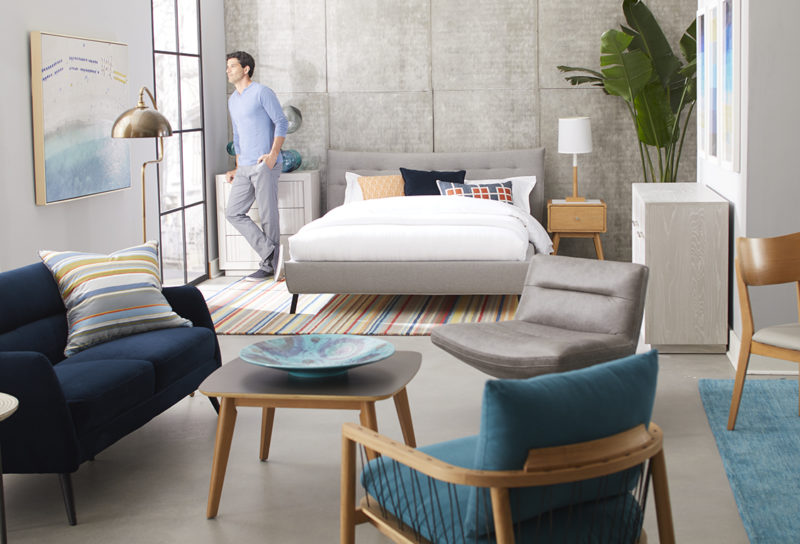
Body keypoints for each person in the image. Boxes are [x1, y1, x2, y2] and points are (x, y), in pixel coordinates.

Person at [224, 51, 288, 280]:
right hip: (245, 166)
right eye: (228, 67)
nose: (228, 70)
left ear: (246, 69)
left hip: (264, 164)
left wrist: (272, 155)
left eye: (232, 66)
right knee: (232, 212)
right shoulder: (233, 100)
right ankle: (271, 254)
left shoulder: (262, 92)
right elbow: (237, 135)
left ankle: (269, 266)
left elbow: (281, 122)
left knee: (268, 214)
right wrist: (237, 166)